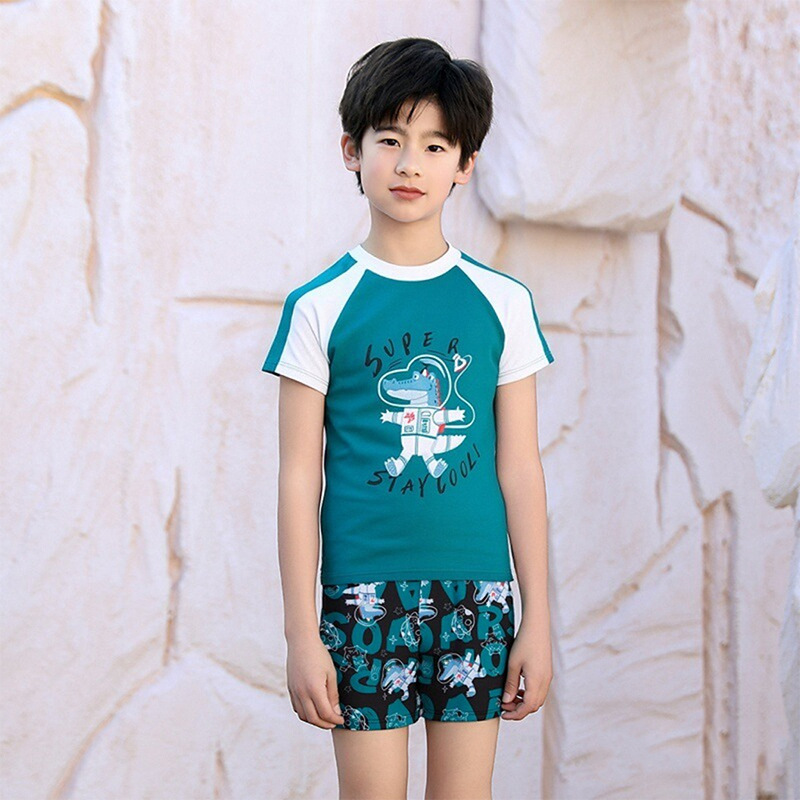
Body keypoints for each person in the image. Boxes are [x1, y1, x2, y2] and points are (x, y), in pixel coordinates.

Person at [261, 37, 555, 800]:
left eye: (434, 145)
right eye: (389, 140)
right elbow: (298, 477)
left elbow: (520, 468)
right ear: (351, 151)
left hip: (479, 598)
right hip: (361, 598)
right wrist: (301, 634)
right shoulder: (318, 308)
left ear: (465, 164)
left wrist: (538, 619)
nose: (409, 164)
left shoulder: (502, 304)